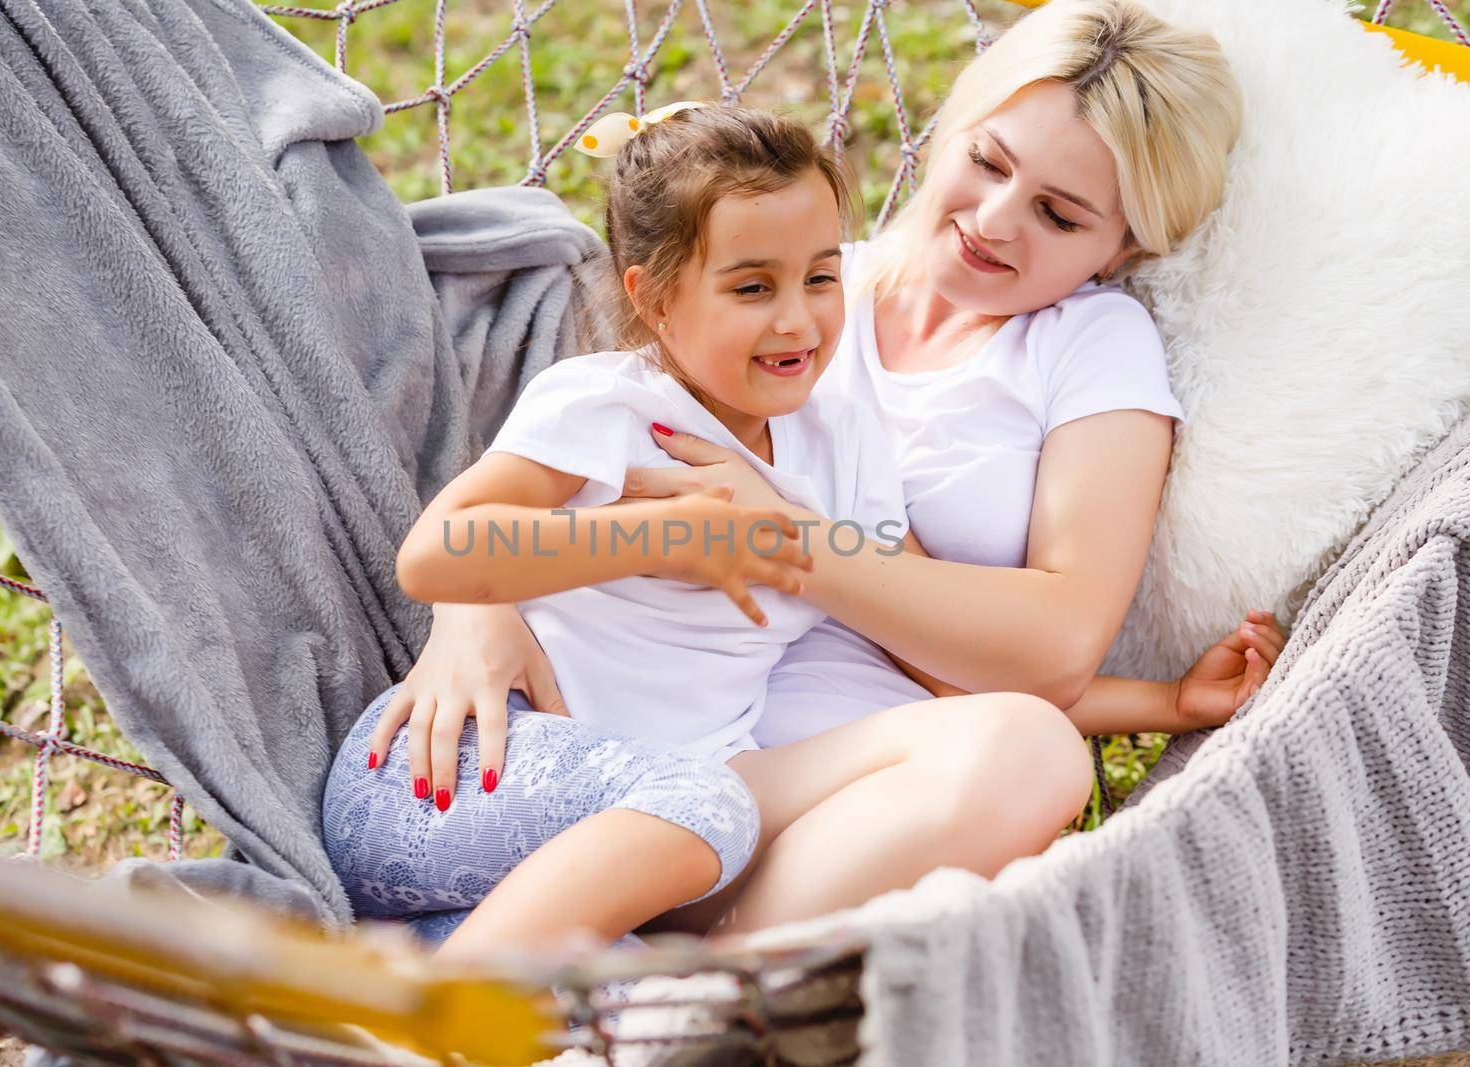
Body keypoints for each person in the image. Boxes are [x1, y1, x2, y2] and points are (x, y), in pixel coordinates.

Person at [337, 0, 1273, 948]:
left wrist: (1160, 703)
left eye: (1060, 214)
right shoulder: (664, 375)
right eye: (988, 161)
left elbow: (961, 666)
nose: (992, 221)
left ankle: (599, 986)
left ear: (1122, 249)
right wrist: (507, 599)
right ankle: (443, 1014)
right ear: (657, 300)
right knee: (698, 807)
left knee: (1005, 756)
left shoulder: (856, 426)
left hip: (712, 809)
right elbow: (455, 544)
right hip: (507, 765)